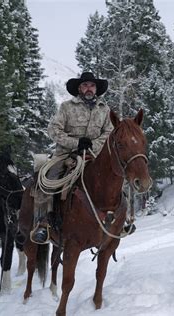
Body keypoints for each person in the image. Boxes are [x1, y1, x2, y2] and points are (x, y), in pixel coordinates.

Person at [31, 72, 113, 244]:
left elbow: (109, 132)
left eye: (92, 85)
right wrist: (76, 143)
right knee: (48, 178)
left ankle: (120, 217)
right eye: (85, 85)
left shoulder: (105, 110)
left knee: (116, 175)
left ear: (96, 89)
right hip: (66, 155)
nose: (88, 88)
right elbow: (54, 130)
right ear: (79, 88)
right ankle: (43, 222)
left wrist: (92, 145)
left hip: (93, 155)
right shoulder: (66, 107)